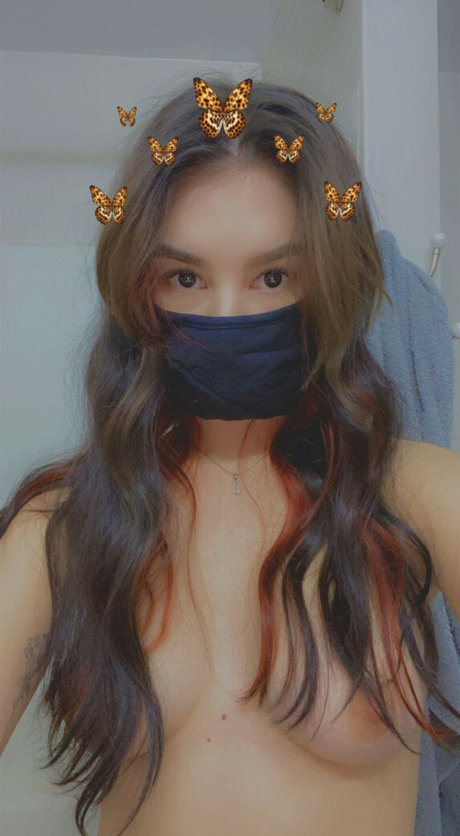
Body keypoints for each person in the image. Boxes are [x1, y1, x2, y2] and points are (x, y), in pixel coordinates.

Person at [1, 75, 459, 836]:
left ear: (332, 286)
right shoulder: (66, 526)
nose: (226, 316)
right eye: (185, 277)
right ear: (138, 290)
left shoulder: (416, 493)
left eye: (273, 277)